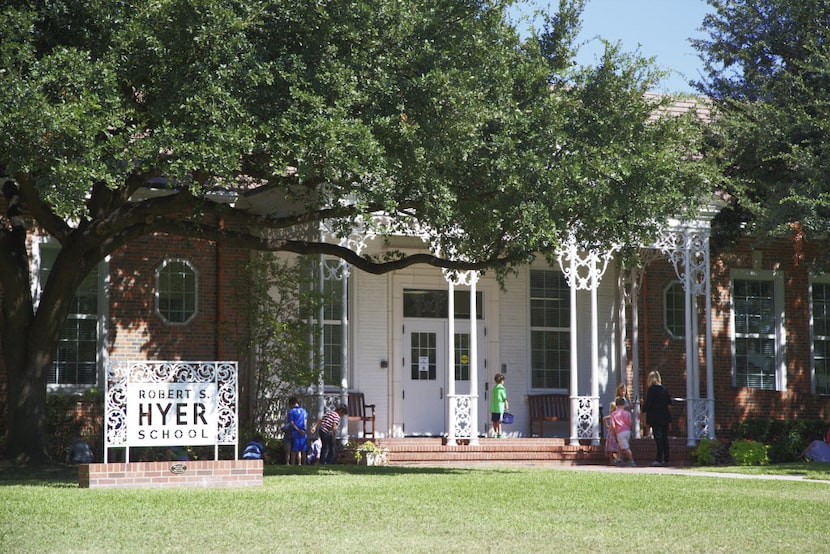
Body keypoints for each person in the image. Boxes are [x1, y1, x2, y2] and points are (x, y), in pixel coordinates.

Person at [641, 370, 672, 467]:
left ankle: (659, 459)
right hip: (665, 417)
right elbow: (669, 403)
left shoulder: (652, 389)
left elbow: (648, 403)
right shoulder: (664, 389)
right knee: (665, 438)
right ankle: (666, 459)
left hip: (656, 417)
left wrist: (642, 410)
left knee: (658, 438)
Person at [610, 397, 635, 466]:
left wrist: (614, 433)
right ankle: (619, 458)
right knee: (620, 445)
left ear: (616, 405)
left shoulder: (614, 414)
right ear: (624, 404)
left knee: (625, 447)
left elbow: (613, 425)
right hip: (627, 431)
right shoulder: (627, 413)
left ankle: (631, 460)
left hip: (620, 431)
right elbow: (630, 423)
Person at [286, 397, 309, 465]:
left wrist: (298, 430)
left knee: (294, 450)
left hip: (295, 432)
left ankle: (294, 464)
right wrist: (304, 430)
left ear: (291, 404)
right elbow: (305, 422)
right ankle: (303, 463)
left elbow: (292, 423)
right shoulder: (304, 411)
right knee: (303, 450)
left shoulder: (291, 412)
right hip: (303, 432)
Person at [490, 373, 509, 438]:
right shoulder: (502, 388)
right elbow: (504, 398)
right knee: (499, 421)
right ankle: (500, 433)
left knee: (494, 421)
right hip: (499, 407)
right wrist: (506, 406)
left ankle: (495, 433)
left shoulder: (495, 388)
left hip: (493, 407)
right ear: (502, 381)